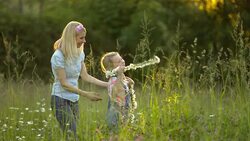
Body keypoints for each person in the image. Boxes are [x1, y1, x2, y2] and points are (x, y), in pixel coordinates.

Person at [50, 21, 108, 140]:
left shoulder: (79, 53)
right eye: (81, 38)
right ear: (71, 38)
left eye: (84, 38)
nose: (84, 41)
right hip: (60, 100)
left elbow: (85, 76)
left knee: (71, 135)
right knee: (72, 135)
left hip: (74, 100)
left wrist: (108, 85)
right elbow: (64, 84)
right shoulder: (58, 56)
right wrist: (86, 94)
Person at [100, 52, 137, 135]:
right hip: (115, 118)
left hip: (123, 116)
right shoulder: (113, 81)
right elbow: (121, 97)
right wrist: (120, 75)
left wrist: (128, 84)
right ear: (112, 68)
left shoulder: (121, 79)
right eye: (119, 61)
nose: (123, 61)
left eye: (122, 59)